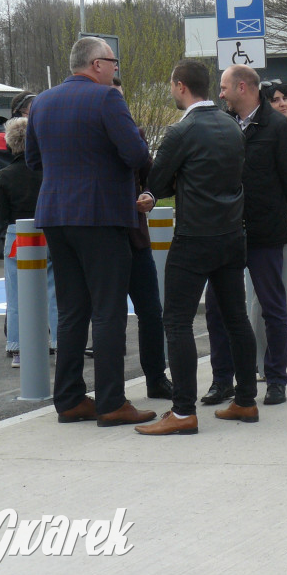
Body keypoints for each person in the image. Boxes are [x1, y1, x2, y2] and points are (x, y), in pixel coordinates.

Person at [25, 36, 155, 428]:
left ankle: (69, 399)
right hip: (101, 215)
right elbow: (136, 155)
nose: (116, 69)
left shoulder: (42, 101)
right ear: (97, 64)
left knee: (71, 310)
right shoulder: (107, 99)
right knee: (109, 310)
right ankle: (112, 401)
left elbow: (33, 160)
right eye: (113, 62)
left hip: (56, 216)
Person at [136, 59, 260, 435]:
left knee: (176, 321)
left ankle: (183, 411)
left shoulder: (181, 131)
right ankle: (246, 401)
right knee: (236, 318)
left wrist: (149, 194)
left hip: (193, 238)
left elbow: (156, 182)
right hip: (230, 235)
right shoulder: (231, 125)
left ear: (179, 86)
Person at [201, 65, 287, 406]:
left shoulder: (279, 128)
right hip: (226, 233)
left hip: (264, 234)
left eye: (224, 88)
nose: (220, 94)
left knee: (271, 308)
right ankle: (222, 380)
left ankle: (275, 378)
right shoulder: (222, 124)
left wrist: (269, 213)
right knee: (217, 310)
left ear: (242, 87)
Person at [111, 76, 173, 401]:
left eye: (119, 99)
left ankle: (156, 377)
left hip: (136, 237)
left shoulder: (135, 136)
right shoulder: (95, 137)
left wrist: (149, 194)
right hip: (105, 239)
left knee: (151, 311)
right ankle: (113, 388)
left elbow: (152, 176)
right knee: (111, 316)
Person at [0, 117, 58, 367]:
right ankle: (60, 343)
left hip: (17, 234)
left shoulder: (5, 175)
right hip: (48, 231)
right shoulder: (49, 173)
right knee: (55, 290)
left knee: (17, 294)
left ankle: (19, 348)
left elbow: (0, 215)